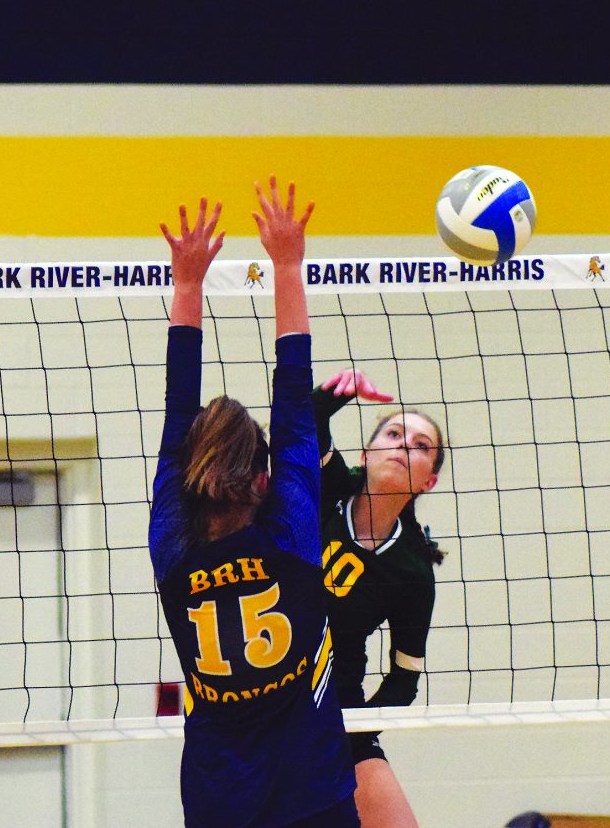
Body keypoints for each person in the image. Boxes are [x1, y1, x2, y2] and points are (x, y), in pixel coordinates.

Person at [149, 179, 359, 828]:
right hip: (312, 790)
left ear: (188, 477)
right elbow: (295, 397)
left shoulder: (173, 547)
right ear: (265, 482)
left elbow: (177, 410)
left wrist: (187, 283)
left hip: (219, 800)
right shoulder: (291, 534)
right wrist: (288, 265)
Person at [311, 368, 446, 827]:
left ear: (428, 481)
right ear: (366, 455)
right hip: (270, 699)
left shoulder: (412, 573)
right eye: (393, 434)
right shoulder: (330, 488)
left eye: (421, 445)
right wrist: (340, 390)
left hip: (338, 710)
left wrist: (352, 729)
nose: (404, 445)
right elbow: (307, 416)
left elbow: (403, 682)